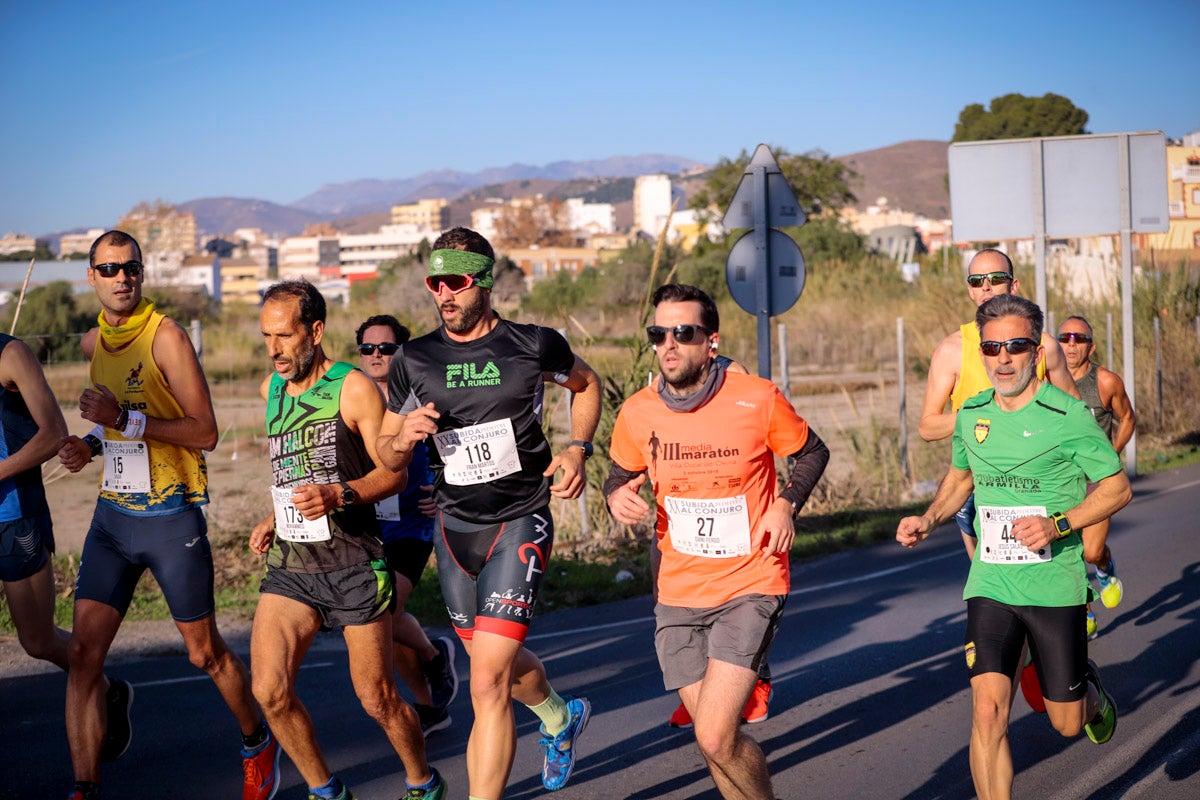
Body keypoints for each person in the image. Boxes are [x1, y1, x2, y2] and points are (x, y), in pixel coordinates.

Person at [376, 227, 601, 799]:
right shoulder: (414, 357)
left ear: (483, 281)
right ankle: (557, 715)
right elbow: (384, 444)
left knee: (486, 686)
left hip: (521, 518)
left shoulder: (532, 345)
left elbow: (587, 384)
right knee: (487, 662)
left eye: (454, 282)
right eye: (434, 283)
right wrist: (402, 436)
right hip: (455, 531)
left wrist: (577, 448)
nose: (442, 294)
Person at [57, 230, 277, 800]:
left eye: (130, 267)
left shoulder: (167, 337)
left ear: (143, 273)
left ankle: (258, 740)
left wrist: (120, 420)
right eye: (108, 269)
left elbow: (205, 432)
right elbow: (115, 425)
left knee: (204, 653)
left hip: (168, 515)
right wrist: (92, 445)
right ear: (91, 276)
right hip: (112, 517)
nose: (121, 277)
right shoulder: (92, 344)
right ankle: (85, 787)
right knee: (83, 656)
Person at [897, 294, 1129, 800]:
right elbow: (960, 481)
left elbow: (1117, 489)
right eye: (992, 347)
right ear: (981, 353)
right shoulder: (971, 413)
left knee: (1066, 723)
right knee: (987, 712)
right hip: (992, 580)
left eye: (1016, 346)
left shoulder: (1067, 415)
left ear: (1036, 352)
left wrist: (1058, 523)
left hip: (1054, 585)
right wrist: (929, 518)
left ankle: (1092, 697)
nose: (1003, 358)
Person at [605, 283, 829, 800]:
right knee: (715, 743)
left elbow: (812, 452)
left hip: (751, 580)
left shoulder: (756, 397)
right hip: (678, 593)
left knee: (713, 732)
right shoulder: (638, 412)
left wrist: (785, 502)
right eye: (658, 333)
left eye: (683, 333)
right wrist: (617, 494)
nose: (669, 344)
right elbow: (619, 474)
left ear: (711, 341)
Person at [250, 282, 446, 800]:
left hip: (354, 560)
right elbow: (292, 466)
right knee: (268, 691)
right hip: (293, 563)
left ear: (315, 331)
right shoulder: (273, 388)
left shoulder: (352, 387)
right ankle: (326, 791)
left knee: (378, 699)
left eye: (284, 336)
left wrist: (337, 494)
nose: (274, 349)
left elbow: (394, 474)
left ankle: (422, 782)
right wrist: (274, 514)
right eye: (266, 336)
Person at [919, 248, 1080, 561]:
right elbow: (927, 426)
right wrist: (981, 416)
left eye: (995, 278)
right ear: (970, 289)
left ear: (1014, 285)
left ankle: (1080, 605)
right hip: (978, 484)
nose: (986, 287)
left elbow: (1075, 417)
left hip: (1040, 479)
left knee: (1051, 574)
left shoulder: (1043, 346)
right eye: (977, 280)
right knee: (990, 582)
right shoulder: (953, 350)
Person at [355, 313, 459, 734]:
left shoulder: (421, 393)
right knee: (385, 628)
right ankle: (430, 705)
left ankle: (435, 655)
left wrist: (443, 488)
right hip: (366, 528)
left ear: (402, 352)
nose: (377, 355)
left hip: (411, 528)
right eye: (368, 348)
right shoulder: (353, 399)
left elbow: (456, 447)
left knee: (384, 610)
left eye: (386, 348)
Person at [658, 355, 773, 730]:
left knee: (741, 606)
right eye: (660, 333)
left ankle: (756, 682)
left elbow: (750, 433)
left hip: (731, 514)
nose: (669, 343)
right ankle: (700, 697)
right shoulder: (662, 377)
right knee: (672, 600)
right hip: (681, 515)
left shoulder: (733, 373)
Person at [1057, 315, 1136, 638]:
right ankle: (1085, 612)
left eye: (1079, 338)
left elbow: (1128, 418)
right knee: (1066, 555)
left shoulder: (1105, 381)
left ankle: (1104, 568)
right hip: (1061, 482)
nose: (1071, 344)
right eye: (1065, 338)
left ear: (1091, 345)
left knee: (1090, 552)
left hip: (1096, 484)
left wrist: (1111, 455)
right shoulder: (1046, 382)